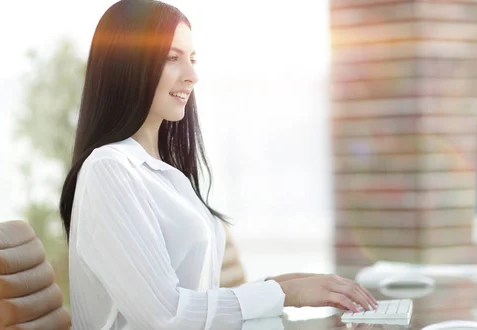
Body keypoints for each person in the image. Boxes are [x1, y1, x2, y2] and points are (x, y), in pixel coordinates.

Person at [58, 1, 377, 329]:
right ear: (126, 65)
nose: (192, 75)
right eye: (172, 58)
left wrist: (288, 286)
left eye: (192, 59)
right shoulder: (109, 170)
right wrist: (283, 293)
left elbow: (195, 301)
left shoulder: (163, 172)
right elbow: (166, 315)